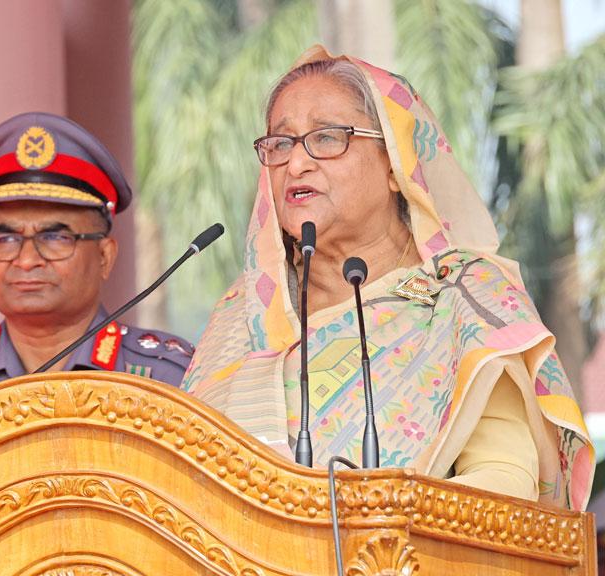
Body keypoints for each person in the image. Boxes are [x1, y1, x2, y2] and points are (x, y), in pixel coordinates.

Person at [182, 46, 593, 510]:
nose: (296, 163)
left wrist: (375, 530)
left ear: (396, 162)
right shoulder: (243, 315)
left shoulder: (462, 298)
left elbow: (505, 479)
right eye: (280, 144)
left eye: (327, 137)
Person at [0, 112, 194, 412]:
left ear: (104, 256)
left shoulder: (168, 379)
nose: (27, 260)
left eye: (55, 238)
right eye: (6, 239)